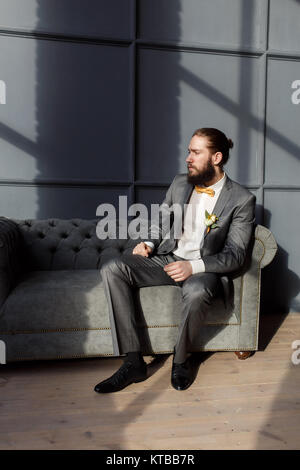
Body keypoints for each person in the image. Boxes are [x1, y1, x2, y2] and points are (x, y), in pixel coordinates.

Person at [94, 128, 256, 393]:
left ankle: (181, 360)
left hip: (203, 268)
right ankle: (133, 362)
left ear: (216, 158)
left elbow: (236, 255)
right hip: (168, 257)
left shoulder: (241, 199)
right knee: (114, 268)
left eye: (195, 152)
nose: (187, 158)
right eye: (188, 151)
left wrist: (193, 267)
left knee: (197, 291)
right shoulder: (180, 183)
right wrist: (149, 243)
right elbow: (162, 221)